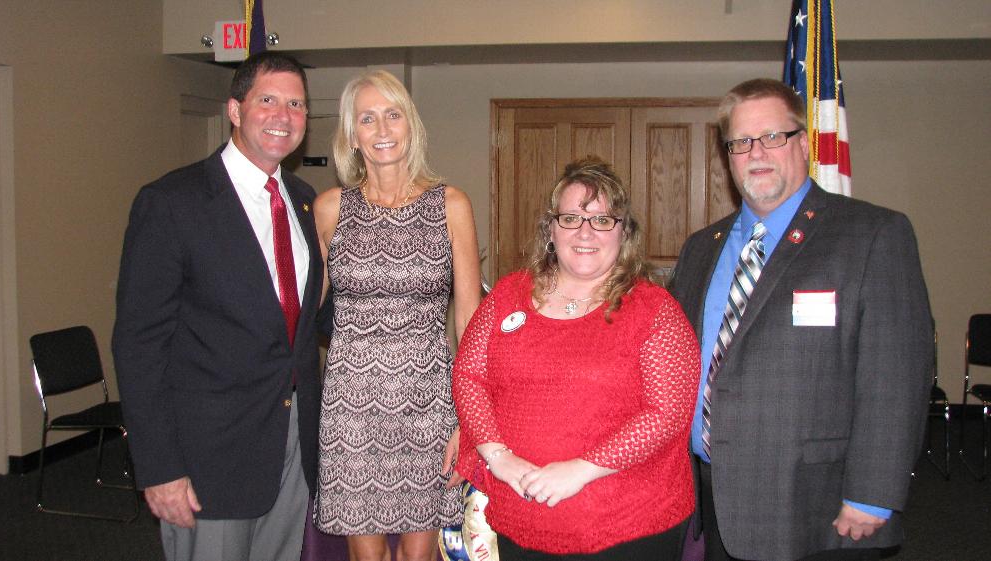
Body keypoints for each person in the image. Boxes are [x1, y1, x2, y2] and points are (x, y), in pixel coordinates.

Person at [669, 78, 932, 561]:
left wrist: (873, 491)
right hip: (713, 497)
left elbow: (897, 374)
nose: (757, 153)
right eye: (741, 142)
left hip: (819, 507)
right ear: (728, 155)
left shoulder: (871, 234)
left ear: (804, 144)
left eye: (773, 136)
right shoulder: (700, 248)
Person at [113, 52, 323, 561]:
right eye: (268, 100)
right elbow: (139, 345)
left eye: (296, 104)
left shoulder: (302, 198)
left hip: (293, 444)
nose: (284, 115)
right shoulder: (171, 202)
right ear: (234, 109)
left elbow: (307, 320)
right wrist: (159, 466)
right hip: (208, 457)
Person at [452, 157, 700, 560]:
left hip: (628, 526)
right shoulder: (508, 295)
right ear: (550, 229)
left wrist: (582, 469)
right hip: (523, 512)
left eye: (603, 220)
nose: (585, 232)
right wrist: (498, 456)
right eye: (570, 218)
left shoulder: (655, 309)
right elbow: (469, 376)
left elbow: (667, 413)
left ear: (624, 232)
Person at [310, 69, 482, 561]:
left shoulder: (451, 205)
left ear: (411, 126)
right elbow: (301, 313)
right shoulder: (329, 209)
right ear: (352, 134)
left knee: (419, 556)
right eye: (367, 118)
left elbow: (469, 320)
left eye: (393, 115)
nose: (382, 129)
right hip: (352, 410)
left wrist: (467, 419)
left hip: (429, 405)